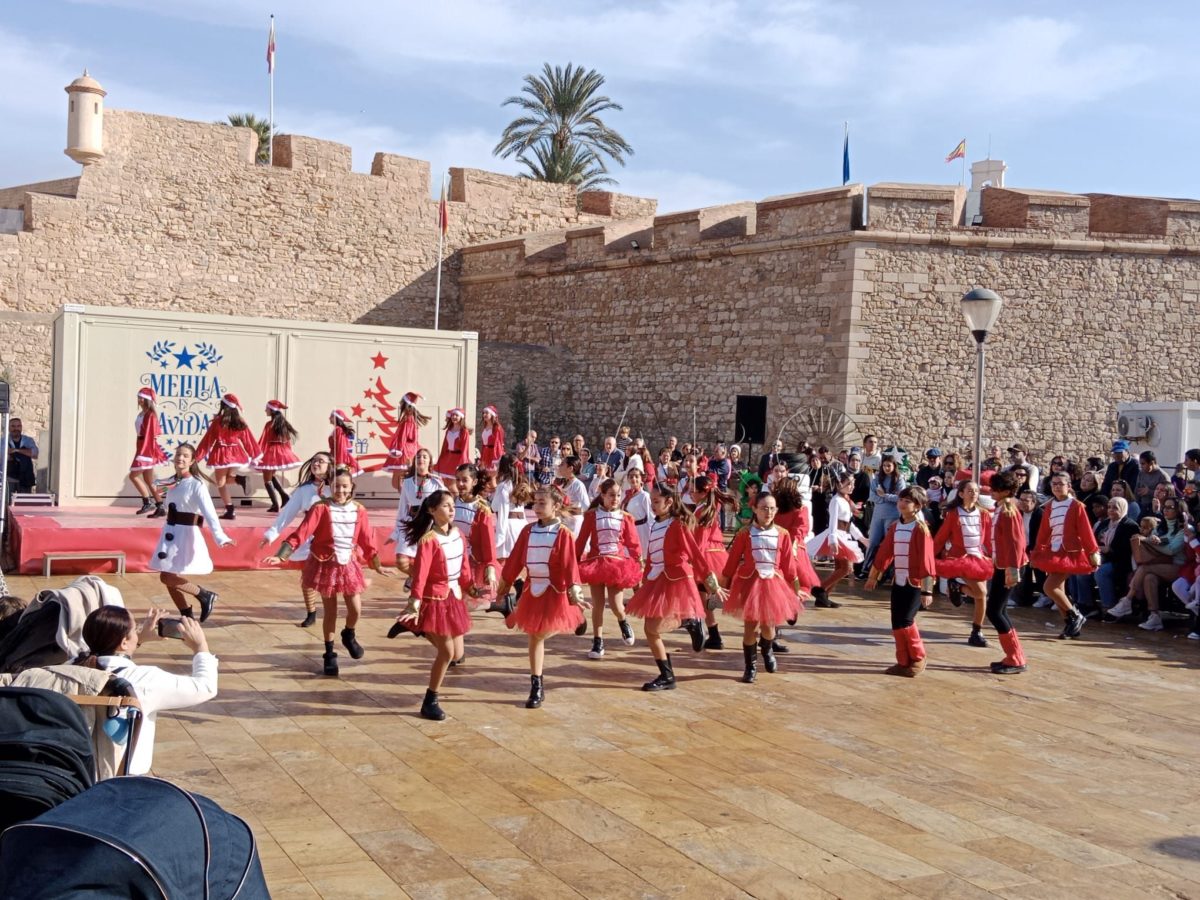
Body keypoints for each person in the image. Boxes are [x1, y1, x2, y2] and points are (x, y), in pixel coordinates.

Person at [265, 468, 393, 676]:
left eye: (344, 486)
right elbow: (302, 532)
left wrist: (376, 563)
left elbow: (366, 539)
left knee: (355, 609)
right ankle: (329, 653)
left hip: (349, 564)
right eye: (336, 486)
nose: (340, 490)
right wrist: (282, 554)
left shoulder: (359, 510)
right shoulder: (320, 508)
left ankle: (349, 634)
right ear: (328, 487)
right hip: (324, 564)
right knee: (330, 612)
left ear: (351, 487)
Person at [75, 606, 217, 775]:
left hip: (74, 770)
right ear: (123, 642)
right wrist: (200, 647)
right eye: (135, 629)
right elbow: (205, 687)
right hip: (120, 779)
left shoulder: (71, 665)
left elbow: (110, 661)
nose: (138, 632)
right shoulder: (145, 680)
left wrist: (137, 640)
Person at [495, 484, 591, 708]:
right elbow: (515, 560)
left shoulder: (564, 534)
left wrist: (575, 591)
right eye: (535, 502)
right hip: (533, 591)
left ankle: (575, 614)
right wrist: (503, 587)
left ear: (556, 506)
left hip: (556, 591)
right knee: (535, 635)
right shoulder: (528, 531)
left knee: (540, 633)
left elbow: (569, 566)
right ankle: (536, 685)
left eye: (542, 503)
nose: (536, 507)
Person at [627, 485, 724, 692]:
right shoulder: (656, 524)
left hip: (676, 579)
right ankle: (668, 674)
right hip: (657, 579)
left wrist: (711, 582)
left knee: (651, 629)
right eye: (652, 501)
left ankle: (668, 671)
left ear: (669, 502)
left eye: (656, 501)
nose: (652, 505)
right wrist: (645, 582)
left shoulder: (678, 525)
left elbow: (695, 554)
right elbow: (653, 556)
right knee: (650, 629)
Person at [391, 490, 474, 721]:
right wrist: (414, 602)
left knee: (457, 654)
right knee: (446, 652)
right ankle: (430, 700)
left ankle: (412, 626)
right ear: (431, 510)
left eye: (452, 505)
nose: (451, 509)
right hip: (434, 600)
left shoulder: (459, 535)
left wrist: (473, 587)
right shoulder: (428, 540)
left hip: (454, 598)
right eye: (446, 506)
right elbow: (421, 574)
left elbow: (464, 567)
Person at [721, 490, 803, 684]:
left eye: (772, 508)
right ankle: (750, 667)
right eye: (764, 508)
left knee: (768, 627)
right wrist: (723, 584)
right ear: (755, 509)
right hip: (750, 583)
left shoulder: (782, 534)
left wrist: (795, 589)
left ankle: (767, 648)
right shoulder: (745, 533)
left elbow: (789, 565)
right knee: (749, 626)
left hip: (773, 583)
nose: (769, 512)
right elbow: (732, 561)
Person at [149, 443, 233, 623]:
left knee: (167, 576)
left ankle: (204, 595)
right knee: (168, 575)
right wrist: (158, 486)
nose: (180, 458)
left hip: (185, 534)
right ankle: (186, 614)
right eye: (178, 454)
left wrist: (220, 536)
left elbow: (210, 513)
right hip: (170, 532)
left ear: (192, 460)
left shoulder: (197, 485)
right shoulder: (170, 483)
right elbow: (158, 493)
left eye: (185, 456)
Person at [864, 486, 936, 677]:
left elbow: (926, 560)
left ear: (917, 506)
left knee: (906, 621)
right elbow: (885, 553)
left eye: (907, 501)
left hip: (915, 583)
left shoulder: (921, 529)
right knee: (896, 622)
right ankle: (903, 661)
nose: (902, 504)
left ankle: (918, 658)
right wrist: (873, 576)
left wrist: (927, 591)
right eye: (901, 500)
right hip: (899, 581)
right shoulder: (895, 526)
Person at [261, 451, 334, 627]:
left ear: (330, 466)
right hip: (309, 536)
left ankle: (333, 613)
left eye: (321, 461)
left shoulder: (337, 487)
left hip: (333, 537)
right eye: (314, 460)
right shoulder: (304, 490)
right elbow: (287, 514)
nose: (316, 464)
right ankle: (311, 612)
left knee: (331, 577)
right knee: (308, 577)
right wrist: (271, 534)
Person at [575, 478, 642, 659]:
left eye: (618, 495)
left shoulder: (626, 518)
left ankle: (623, 621)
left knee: (616, 605)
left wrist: (638, 562)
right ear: (603, 495)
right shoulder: (591, 516)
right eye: (611, 495)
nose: (615, 498)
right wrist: (574, 560)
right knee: (597, 605)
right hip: (596, 564)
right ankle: (598, 641)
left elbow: (633, 543)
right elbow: (581, 540)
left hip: (617, 565)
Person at [1030, 472, 1100, 639]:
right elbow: (1044, 532)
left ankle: (1076, 616)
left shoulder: (1076, 506)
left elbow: (1085, 531)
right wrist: (1038, 550)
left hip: (1070, 553)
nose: (1056, 486)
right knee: (1058, 590)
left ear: (1069, 486)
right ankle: (1071, 625)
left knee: (1049, 587)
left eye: (1060, 483)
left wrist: (1093, 552)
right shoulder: (1049, 506)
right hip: (1054, 551)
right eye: (1054, 483)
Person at [1106, 498, 1190, 631]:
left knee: (1145, 568)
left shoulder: (1182, 529)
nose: (1166, 510)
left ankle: (1127, 600)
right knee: (1149, 577)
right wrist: (1150, 541)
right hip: (1158, 564)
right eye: (1165, 507)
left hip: (1179, 566)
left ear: (1179, 510)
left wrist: (1148, 540)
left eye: (1170, 507)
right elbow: (1152, 543)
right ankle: (1154, 616)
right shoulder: (1161, 526)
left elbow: (1171, 550)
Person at [933, 481, 994, 648]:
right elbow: (941, 538)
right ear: (961, 494)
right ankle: (976, 631)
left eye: (976, 490)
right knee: (981, 592)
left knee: (982, 594)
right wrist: (929, 557)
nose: (974, 493)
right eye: (970, 490)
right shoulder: (953, 514)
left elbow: (988, 538)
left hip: (978, 558)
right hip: (960, 558)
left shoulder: (984, 514)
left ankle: (957, 589)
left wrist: (993, 555)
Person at [981, 471, 1030, 674]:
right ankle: (1013, 656)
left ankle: (1016, 657)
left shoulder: (1008, 510)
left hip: (1009, 566)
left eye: (997, 488)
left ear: (1007, 491)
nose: (992, 491)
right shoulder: (1002, 508)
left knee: (995, 611)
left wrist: (1012, 570)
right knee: (998, 610)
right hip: (1003, 564)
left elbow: (1015, 543)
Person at [450, 463, 500, 658]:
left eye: (465, 480)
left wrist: (490, 565)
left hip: (471, 564)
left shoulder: (481, 509)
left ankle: (457, 653)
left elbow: (488, 541)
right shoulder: (452, 502)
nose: (461, 484)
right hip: (453, 560)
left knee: (460, 605)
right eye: (458, 480)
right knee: (456, 605)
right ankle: (457, 652)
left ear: (475, 482)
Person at [194, 393, 260, 520]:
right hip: (236, 454)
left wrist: (196, 457)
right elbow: (248, 439)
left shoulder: (218, 422)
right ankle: (239, 480)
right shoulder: (240, 422)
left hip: (222, 454)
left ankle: (230, 510)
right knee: (227, 478)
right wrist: (254, 454)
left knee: (220, 483)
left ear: (223, 405)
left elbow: (207, 441)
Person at [807, 474, 867, 608]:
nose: (852, 487)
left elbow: (849, 524)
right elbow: (833, 521)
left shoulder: (846, 500)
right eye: (849, 483)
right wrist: (833, 539)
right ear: (840, 485)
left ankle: (823, 597)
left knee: (840, 567)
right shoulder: (836, 500)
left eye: (853, 484)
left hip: (843, 535)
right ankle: (820, 589)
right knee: (846, 568)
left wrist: (862, 538)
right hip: (837, 536)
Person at [387, 448, 447, 577]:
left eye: (425, 457)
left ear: (430, 461)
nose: (421, 459)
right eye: (418, 457)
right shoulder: (407, 483)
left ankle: (420, 584)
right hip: (411, 523)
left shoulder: (436, 482)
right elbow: (402, 507)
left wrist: (440, 484)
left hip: (429, 524)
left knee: (427, 560)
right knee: (401, 561)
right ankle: (415, 578)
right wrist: (396, 532)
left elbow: (446, 500)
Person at [860, 456, 906, 575]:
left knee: (889, 544)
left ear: (894, 466)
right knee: (873, 542)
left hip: (892, 515)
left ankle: (887, 571)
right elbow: (872, 496)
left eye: (889, 466)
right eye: (884, 466)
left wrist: (885, 495)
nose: (886, 468)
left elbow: (900, 498)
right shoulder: (876, 479)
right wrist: (887, 498)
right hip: (878, 516)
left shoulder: (899, 479)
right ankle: (866, 568)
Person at [1093, 496, 1138, 613]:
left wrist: (1110, 550)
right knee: (1081, 568)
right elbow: (1095, 540)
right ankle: (1085, 603)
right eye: (1109, 507)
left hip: (1120, 562)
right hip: (1102, 556)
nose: (1111, 510)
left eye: (1115, 508)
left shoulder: (1129, 526)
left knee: (1101, 571)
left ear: (1123, 509)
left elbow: (1127, 551)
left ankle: (1108, 606)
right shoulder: (1105, 523)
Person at [254, 400, 301, 513]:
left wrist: (256, 453)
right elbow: (287, 441)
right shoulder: (283, 424)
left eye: (267, 408)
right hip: (280, 452)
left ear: (271, 410)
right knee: (270, 475)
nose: (265, 410)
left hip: (270, 452)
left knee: (267, 478)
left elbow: (263, 441)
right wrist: (288, 452)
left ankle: (275, 504)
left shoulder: (269, 424)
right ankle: (284, 496)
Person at [128, 388, 169, 517]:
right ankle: (160, 506)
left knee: (133, 476)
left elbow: (150, 436)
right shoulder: (142, 414)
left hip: (147, 448)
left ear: (148, 400)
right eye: (138, 397)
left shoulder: (150, 415)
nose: (139, 400)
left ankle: (147, 502)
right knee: (148, 479)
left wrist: (144, 452)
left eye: (142, 398)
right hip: (142, 446)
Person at [384, 392, 431, 489]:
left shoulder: (407, 419)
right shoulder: (411, 418)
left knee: (397, 482)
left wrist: (398, 450)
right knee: (401, 481)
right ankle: (407, 500)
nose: (400, 404)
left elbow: (403, 437)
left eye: (402, 402)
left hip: (404, 453)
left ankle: (406, 500)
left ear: (405, 404)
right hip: (410, 451)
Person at [622, 466, 653, 559]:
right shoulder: (625, 494)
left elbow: (651, 516)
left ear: (641, 479)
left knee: (641, 557)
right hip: (628, 530)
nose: (633, 479)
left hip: (641, 531)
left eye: (636, 476)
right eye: (631, 477)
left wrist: (653, 535)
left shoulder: (644, 496)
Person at [556, 455, 591, 536]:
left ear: (570, 468)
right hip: (563, 521)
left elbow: (586, 506)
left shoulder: (578, 485)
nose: (559, 466)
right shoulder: (563, 483)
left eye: (562, 464)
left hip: (574, 524)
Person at [434, 408, 471, 482]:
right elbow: (444, 446)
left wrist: (462, 464)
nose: (454, 417)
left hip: (457, 459)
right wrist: (441, 459)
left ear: (461, 417)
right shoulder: (449, 430)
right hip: (447, 458)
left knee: (453, 482)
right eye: (453, 415)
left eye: (456, 415)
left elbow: (465, 449)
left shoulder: (464, 432)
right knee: (444, 481)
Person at [7, 417, 38, 494]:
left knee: (24, 503)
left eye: (18, 426)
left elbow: (35, 454)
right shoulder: (3, 442)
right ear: (8, 427)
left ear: (21, 427)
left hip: (26, 479)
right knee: (7, 504)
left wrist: (16, 450)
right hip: (9, 479)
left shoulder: (28, 440)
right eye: (13, 426)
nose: (16, 429)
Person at [327, 409, 363, 477]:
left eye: (331, 416)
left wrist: (340, 463)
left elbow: (341, 447)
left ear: (336, 418)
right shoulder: (337, 429)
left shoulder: (338, 430)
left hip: (339, 459)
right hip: (335, 457)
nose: (329, 418)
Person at [478, 405, 506, 472]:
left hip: (493, 454)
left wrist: (495, 459)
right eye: (483, 413)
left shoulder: (497, 428)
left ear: (492, 415)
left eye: (487, 413)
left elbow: (498, 444)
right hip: (485, 454)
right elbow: (483, 444)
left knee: (492, 477)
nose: (484, 414)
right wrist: (482, 458)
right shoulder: (485, 427)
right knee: (485, 476)